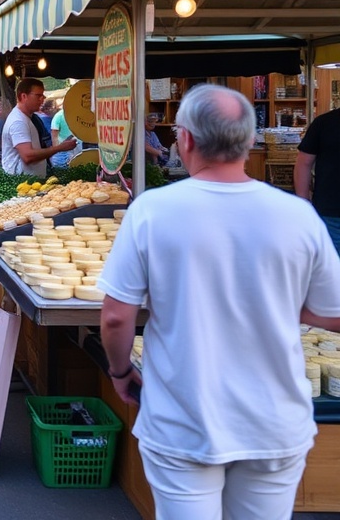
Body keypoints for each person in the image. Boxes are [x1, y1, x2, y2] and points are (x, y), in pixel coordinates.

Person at [99, 84, 340, 520]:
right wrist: (273, 300)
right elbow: (331, 313)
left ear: (185, 139)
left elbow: (117, 317)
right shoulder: (298, 216)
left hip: (183, 418)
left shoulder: (152, 211)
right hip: (273, 419)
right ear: (250, 141)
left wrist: (119, 371)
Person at [1, 78, 77, 177]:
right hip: (23, 185)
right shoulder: (18, 122)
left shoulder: (25, 118)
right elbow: (28, 156)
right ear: (24, 96)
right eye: (38, 95)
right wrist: (59, 148)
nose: (43, 98)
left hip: (29, 184)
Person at [296, 108, 340, 253]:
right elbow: (304, 163)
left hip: (329, 208)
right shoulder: (324, 122)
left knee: (331, 268)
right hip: (330, 211)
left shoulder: (324, 122)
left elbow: (304, 163)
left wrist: (303, 202)